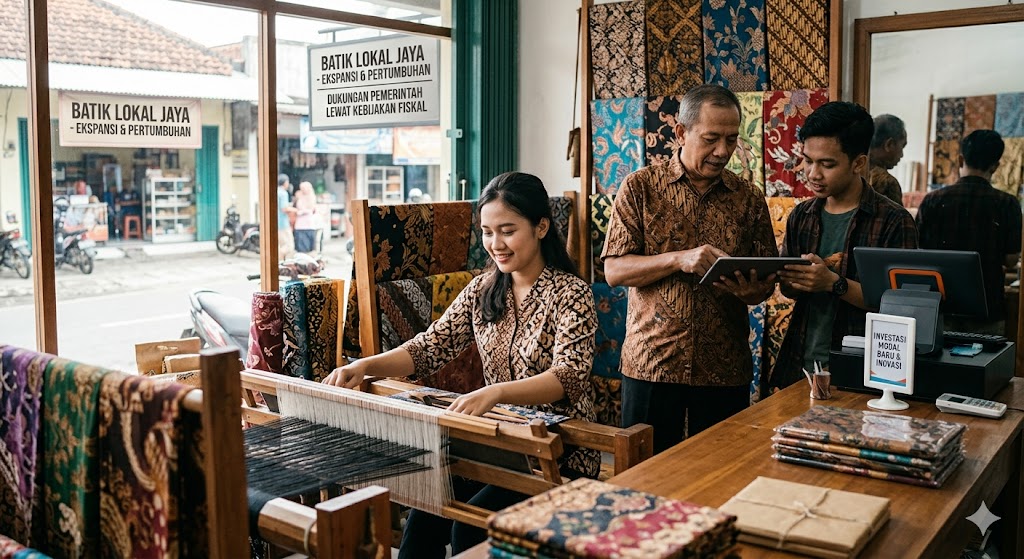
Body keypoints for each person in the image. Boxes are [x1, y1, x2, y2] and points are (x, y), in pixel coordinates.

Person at [323, 172, 598, 557]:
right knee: (424, 517)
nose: (495, 245)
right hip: (499, 442)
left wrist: (496, 392)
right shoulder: (483, 290)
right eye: (487, 232)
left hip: (560, 450)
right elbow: (429, 347)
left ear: (541, 227)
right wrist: (366, 366)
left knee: (473, 525)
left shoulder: (571, 293)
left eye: (507, 231)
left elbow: (568, 375)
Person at [601, 84, 778, 455]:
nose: (723, 151)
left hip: (724, 367)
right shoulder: (639, 188)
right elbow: (615, 270)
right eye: (711, 138)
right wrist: (679, 258)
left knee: (720, 480)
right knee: (643, 480)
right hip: (651, 363)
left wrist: (753, 292)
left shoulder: (749, 199)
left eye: (731, 139)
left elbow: (764, 283)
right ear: (680, 133)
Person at [773, 102, 918, 391]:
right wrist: (795, 280)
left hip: (861, 371)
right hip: (799, 364)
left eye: (827, 164)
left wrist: (833, 283)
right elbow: (788, 290)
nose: (812, 174)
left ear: (858, 163)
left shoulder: (893, 221)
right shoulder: (802, 216)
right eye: (808, 161)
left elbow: (903, 308)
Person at [915, 129, 1022, 335]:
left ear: (960, 159)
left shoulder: (932, 200)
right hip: (987, 306)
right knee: (984, 365)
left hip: (941, 305)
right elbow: (1011, 259)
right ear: (996, 165)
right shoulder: (1008, 204)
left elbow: (919, 252)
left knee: (941, 365)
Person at [866, 114, 907, 206]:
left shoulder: (854, 168)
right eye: (902, 146)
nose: (902, 155)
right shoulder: (887, 182)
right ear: (889, 145)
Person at [292, 181, 319, 254]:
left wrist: (303, 211)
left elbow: (312, 209)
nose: (303, 190)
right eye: (302, 188)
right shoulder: (298, 196)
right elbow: (295, 208)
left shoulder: (312, 197)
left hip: (310, 225)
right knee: (301, 249)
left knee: (310, 249)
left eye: (304, 188)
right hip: (300, 225)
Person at [277, 174, 295, 260]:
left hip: (276, 223)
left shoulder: (275, 191)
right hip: (283, 223)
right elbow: (284, 208)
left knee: (280, 244)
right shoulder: (283, 193)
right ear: (285, 182)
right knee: (289, 245)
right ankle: (281, 261)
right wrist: (296, 210)